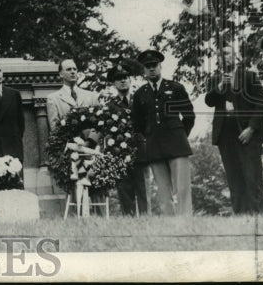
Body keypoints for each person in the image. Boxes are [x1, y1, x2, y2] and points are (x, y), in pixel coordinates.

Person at [204, 41, 263, 214]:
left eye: (226, 53)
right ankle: (240, 216)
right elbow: (208, 101)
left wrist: (252, 129)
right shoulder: (216, 79)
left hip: (247, 134)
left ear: (235, 56)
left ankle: (257, 217)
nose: (223, 57)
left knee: (252, 176)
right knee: (234, 177)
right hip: (226, 135)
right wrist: (218, 89)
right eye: (220, 54)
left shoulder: (249, 77)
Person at [131, 49, 195, 216]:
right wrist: (150, 136)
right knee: (163, 192)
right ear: (143, 70)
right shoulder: (140, 94)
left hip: (177, 145)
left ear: (160, 66)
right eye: (147, 66)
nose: (151, 69)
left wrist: (181, 134)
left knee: (182, 189)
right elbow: (137, 124)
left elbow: (189, 116)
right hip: (155, 146)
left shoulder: (175, 88)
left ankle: (185, 224)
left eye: (154, 65)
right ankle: (169, 225)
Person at [100, 63, 148, 216]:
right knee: (124, 189)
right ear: (113, 83)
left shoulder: (141, 100)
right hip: (119, 153)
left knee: (143, 188)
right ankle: (129, 219)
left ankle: (147, 218)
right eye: (118, 79)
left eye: (125, 77)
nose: (123, 81)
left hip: (140, 151)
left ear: (130, 80)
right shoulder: (109, 106)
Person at [46, 57, 101, 131]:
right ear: (61, 74)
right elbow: (55, 128)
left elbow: (99, 123)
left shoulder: (91, 95)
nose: (73, 72)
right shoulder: (53, 98)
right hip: (67, 141)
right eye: (68, 69)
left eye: (74, 69)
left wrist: (90, 141)